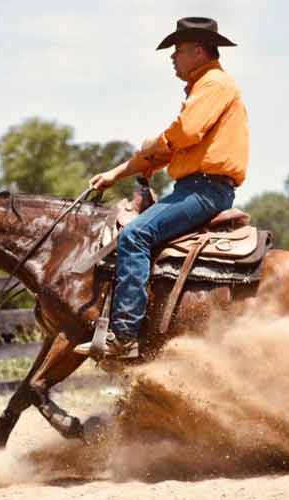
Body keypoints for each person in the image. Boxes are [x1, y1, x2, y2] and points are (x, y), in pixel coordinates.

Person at [75, 17, 249, 359]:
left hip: (203, 190)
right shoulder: (206, 87)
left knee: (135, 236)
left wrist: (155, 143)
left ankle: (124, 335)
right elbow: (167, 148)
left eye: (178, 50)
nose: (173, 57)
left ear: (198, 51)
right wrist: (115, 173)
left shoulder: (214, 84)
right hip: (197, 187)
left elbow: (184, 134)